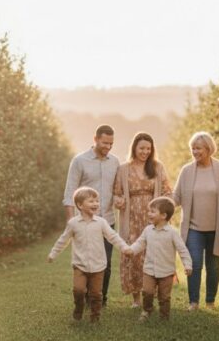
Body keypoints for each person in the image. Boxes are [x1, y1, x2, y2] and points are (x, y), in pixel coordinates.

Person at [48, 187, 130, 323]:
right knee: (79, 290)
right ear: (80, 205)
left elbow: (113, 237)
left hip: (98, 265)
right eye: (91, 201)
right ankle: (78, 308)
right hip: (80, 265)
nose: (96, 204)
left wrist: (125, 248)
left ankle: (95, 315)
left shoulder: (101, 222)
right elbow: (63, 240)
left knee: (96, 294)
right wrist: (53, 253)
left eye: (97, 201)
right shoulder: (73, 224)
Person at [173, 132, 219, 311]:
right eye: (193, 148)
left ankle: (210, 301)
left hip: (216, 227)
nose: (195, 151)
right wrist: (163, 207)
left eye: (198, 148)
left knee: (213, 267)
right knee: (195, 263)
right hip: (194, 227)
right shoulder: (187, 171)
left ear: (209, 149)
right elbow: (176, 196)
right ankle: (193, 302)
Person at [62, 125, 120, 307]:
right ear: (95, 139)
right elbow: (70, 192)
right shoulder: (79, 161)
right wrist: (71, 222)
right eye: (104, 143)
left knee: (106, 263)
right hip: (84, 223)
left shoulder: (115, 162)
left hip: (107, 221)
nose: (108, 147)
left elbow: (117, 190)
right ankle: (85, 297)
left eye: (111, 144)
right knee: (85, 263)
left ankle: (100, 300)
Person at [113, 132, 172, 308]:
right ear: (134, 148)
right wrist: (119, 201)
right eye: (142, 148)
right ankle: (136, 298)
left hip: (152, 217)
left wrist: (163, 210)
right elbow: (116, 193)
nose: (145, 151)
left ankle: (151, 294)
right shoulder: (124, 168)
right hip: (131, 217)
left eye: (148, 148)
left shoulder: (157, 167)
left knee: (151, 254)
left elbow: (168, 191)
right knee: (133, 254)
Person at [124, 197, 191, 321]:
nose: (149, 213)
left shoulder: (172, 233)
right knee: (147, 292)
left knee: (164, 296)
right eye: (149, 211)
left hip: (166, 271)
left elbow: (183, 250)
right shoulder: (148, 230)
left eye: (153, 211)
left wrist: (187, 265)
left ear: (163, 215)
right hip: (149, 269)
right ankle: (147, 310)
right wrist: (131, 250)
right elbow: (140, 243)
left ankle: (164, 316)